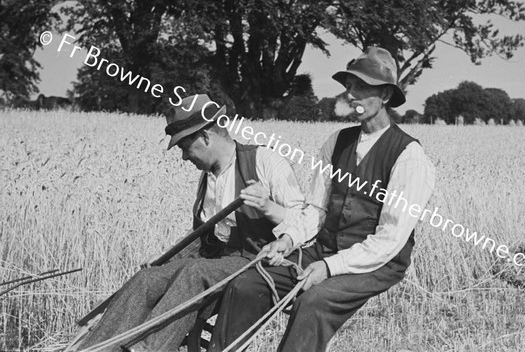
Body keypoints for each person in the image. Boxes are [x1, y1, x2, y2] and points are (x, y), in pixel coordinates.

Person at [208, 47, 436, 352]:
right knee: (247, 285)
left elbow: (390, 239)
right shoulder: (337, 142)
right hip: (323, 249)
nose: (351, 94)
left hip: (376, 263)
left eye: (362, 87)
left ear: (384, 96)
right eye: (349, 86)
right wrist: (288, 240)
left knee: (312, 303)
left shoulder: (409, 156)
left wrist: (328, 268)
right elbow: (315, 209)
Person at [77, 94, 305, 352]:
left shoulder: (265, 161)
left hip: (255, 260)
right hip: (214, 262)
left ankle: (150, 348)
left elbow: (303, 218)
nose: (184, 157)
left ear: (206, 137)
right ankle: (93, 348)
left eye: (185, 147)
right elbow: (205, 235)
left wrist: (268, 207)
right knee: (146, 279)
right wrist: (170, 256)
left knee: (193, 273)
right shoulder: (207, 178)